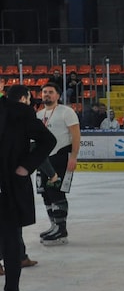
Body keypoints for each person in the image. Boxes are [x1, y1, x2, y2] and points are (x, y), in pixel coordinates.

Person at [0, 85, 56, 291]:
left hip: (9, 187)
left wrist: (26, 166)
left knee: (11, 240)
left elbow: (47, 141)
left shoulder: (20, 113)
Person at [36, 82, 80, 246]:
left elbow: (76, 135)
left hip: (60, 156)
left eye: (50, 92)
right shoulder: (39, 115)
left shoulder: (66, 112)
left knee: (57, 191)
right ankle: (54, 225)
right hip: (43, 159)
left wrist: (74, 156)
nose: (47, 94)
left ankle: (62, 229)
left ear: (58, 95)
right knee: (45, 192)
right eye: (44, 92)